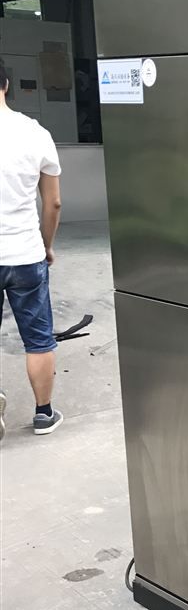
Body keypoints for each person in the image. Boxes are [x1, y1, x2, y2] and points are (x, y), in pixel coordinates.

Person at [0, 57, 64, 437]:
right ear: (6, 85)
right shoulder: (35, 133)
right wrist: (46, 246)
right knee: (38, 339)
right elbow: (53, 203)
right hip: (25, 252)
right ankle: (44, 414)